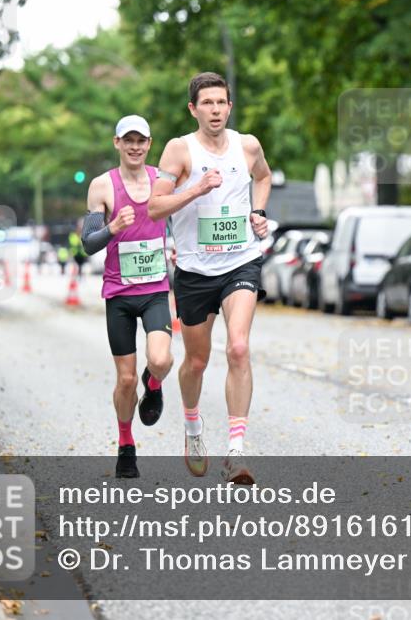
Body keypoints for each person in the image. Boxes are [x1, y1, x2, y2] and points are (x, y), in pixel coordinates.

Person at [149, 72, 270, 484]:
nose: (215, 110)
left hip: (241, 261)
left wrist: (260, 212)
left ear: (229, 106)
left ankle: (235, 452)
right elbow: (155, 206)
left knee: (238, 348)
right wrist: (196, 190)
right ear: (193, 109)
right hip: (195, 271)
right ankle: (193, 428)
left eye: (221, 102)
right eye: (207, 104)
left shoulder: (247, 144)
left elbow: (264, 177)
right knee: (197, 361)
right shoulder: (179, 150)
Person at [81, 114, 174, 478]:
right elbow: (88, 244)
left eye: (142, 140)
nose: (135, 146)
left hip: (154, 290)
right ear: (117, 143)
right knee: (124, 380)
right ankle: (125, 443)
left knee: (162, 359)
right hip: (119, 293)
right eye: (128, 140)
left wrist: (178, 248)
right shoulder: (101, 186)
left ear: (150, 144)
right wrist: (111, 228)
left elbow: (179, 219)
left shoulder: (163, 181)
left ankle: (155, 386)